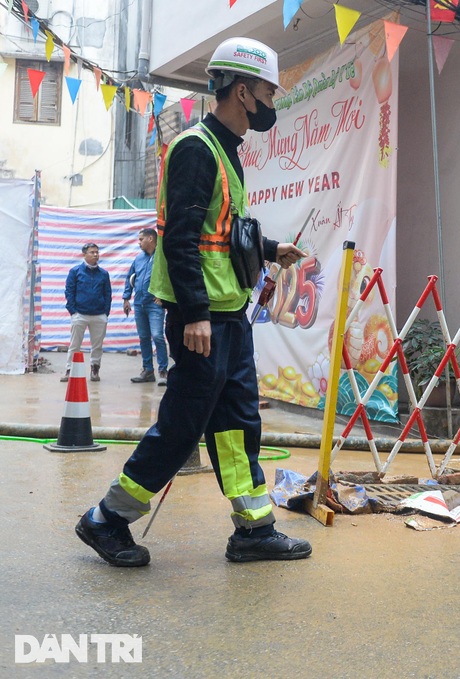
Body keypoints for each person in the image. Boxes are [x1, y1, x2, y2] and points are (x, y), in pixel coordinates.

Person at [76, 37, 310, 567]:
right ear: (243, 91)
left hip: (230, 316)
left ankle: (254, 530)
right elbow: (180, 239)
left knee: (237, 424)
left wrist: (271, 250)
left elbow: (224, 232)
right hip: (202, 318)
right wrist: (196, 316)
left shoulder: (229, 153)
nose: (273, 103)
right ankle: (106, 520)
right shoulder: (194, 149)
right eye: (269, 92)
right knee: (182, 427)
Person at [124, 228, 169, 385]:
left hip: (154, 304)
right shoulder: (138, 259)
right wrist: (126, 298)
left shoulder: (162, 257)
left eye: (141, 239)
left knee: (157, 335)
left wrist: (163, 296)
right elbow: (130, 277)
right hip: (139, 303)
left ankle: (163, 371)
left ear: (151, 239)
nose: (139, 242)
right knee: (144, 337)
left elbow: (168, 277)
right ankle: (148, 371)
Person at [62, 242, 112, 383]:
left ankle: (95, 369)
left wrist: (105, 313)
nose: (95, 254)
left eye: (97, 252)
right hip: (80, 315)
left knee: (97, 346)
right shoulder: (75, 272)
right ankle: (69, 370)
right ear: (84, 254)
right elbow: (69, 292)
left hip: (99, 315)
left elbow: (107, 294)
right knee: (75, 345)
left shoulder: (104, 274)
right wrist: (73, 311)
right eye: (92, 252)